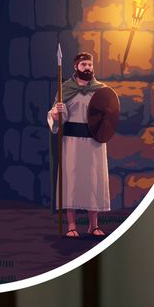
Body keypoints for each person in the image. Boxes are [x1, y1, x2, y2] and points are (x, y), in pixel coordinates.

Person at [48, 52, 113, 238]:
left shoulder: (101, 90)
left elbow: (108, 115)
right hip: (72, 142)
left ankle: (94, 225)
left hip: (94, 141)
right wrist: (57, 113)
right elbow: (58, 117)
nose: (88, 68)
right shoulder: (66, 89)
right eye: (84, 64)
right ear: (76, 67)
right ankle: (71, 225)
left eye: (90, 65)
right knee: (72, 182)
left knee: (94, 182)